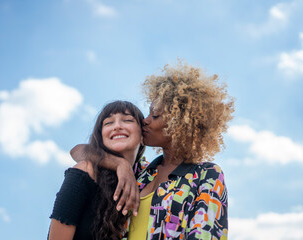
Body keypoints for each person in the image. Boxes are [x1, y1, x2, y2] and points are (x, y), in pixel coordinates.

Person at [72, 61, 235, 240]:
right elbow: (78, 151)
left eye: (155, 116)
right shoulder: (140, 172)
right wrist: (120, 165)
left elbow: (206, 235)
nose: (145, 121)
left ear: (179, 124)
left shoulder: (206, 175)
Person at [48, 100, 145, 240]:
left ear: (142, 136)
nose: (117, 126)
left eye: (127, 120)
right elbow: (76, 150)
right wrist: (120, 164)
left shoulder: (146, 176)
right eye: (108, 123)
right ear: (101, 137)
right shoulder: (85, 172)